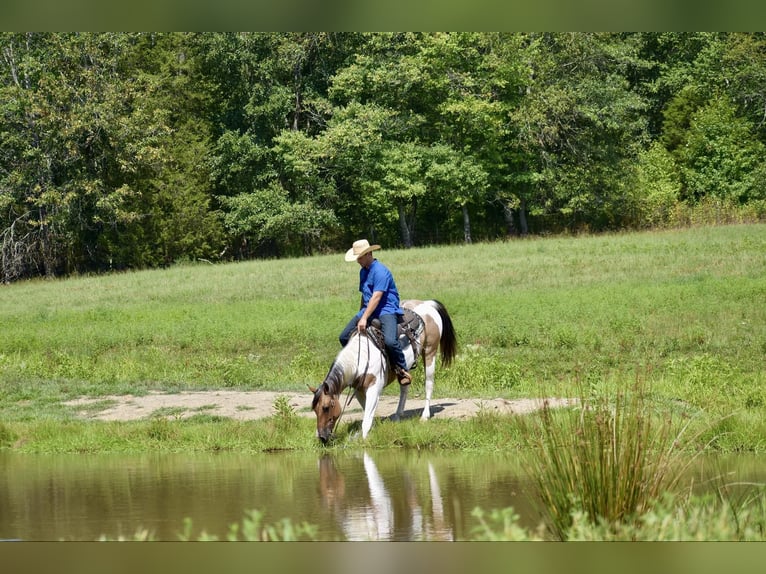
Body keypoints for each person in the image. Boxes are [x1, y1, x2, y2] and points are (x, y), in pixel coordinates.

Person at [339, 239, 412, 385]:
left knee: (391, 341)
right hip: (368, 309)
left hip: (386, 309)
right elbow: (364, 295)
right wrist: (360, 314)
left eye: (359, 257)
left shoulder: (380, 271)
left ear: (369, 254)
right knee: (344, 337)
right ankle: (358, 365)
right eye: (357, 258)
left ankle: (401, 370)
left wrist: (364, 318)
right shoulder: (363, 272)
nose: (358, 261)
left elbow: (377, 297)